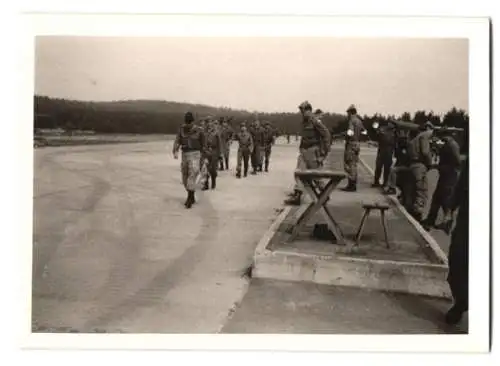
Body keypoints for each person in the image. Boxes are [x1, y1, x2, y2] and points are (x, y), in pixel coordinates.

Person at [284, 101, 331, 206]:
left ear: (309, 110)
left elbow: (327, 135)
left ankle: (325, 195)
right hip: (304, 152)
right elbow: (304, 137)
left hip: (313, 152)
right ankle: (297, 196)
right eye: (301, 110)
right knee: (298, 173)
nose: (302, 112)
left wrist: (323, 154)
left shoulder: (315, 121)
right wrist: (301, 148)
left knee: (316, 176)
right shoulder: (304, 122)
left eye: (303, 110)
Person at [421, 131, 462, 232]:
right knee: (437, 198)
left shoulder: (452, 145)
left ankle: (447, 222)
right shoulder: (449, 145)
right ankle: (431, 220)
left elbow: (457, 162)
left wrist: (442, 167)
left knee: (445, 199)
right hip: (445, 175)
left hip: (449, 176)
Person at [445, 156, 468, 325]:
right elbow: (460, 187)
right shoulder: (473, 161)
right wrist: (450, 210)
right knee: (457, 261)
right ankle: (461, 303)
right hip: (467, 222)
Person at [172, 111, 205, 209]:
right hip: (185, 154)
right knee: (185, 176)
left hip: (195, 154)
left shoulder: (199, 130)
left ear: (193, 122)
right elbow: (177, 140)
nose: (188, 124)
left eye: (190, 122)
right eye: (187, 122)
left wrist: (204, 157)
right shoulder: (181, 129)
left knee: (193, 173)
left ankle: (189, 198)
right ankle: (191, 193)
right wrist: (175, 150)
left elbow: (204, 144)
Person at [406, 121, 435, 222]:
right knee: (421, 191)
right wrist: (430, 163)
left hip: (412, 165)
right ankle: (417, 214)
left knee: (413, 190)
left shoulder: (414, 139)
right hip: (420, 165)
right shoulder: (425, 135)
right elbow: (425, 151)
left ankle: (411, 211)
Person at [342, 104, 367, 192]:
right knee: (354, 164)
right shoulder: (359, 121)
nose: (347, 115)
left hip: (351, 144)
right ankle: (353, 183)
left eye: (348, 113)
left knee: (349, 164)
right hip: (357, 144)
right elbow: (364, 132)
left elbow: (350, 132)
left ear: (350, 112)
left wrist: (344, 134)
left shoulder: (352, 121)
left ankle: (351, 185)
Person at [372, 120, 396, 188]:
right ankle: (376, 181)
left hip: (389, 151)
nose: (389, 124)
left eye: (391, 123)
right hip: (381, 150)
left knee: (387, 169)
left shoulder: (395, 132)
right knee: (378, 167)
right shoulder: (383, 129)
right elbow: (377, 135)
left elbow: (394, 142)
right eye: (389, 123)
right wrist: (377, 132)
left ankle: (385, 183)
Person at [201, 119, 222, 190]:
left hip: (214, 152)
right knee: (205, 168)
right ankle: (206, 184)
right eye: (207, 123)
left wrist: (220, 154)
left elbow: (219, 144)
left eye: (210, 123)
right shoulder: (204, 132)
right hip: (206, 152)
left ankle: (213, 182)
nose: (209, 124)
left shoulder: (216, 132)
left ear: (212, 124)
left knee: (213, 169)